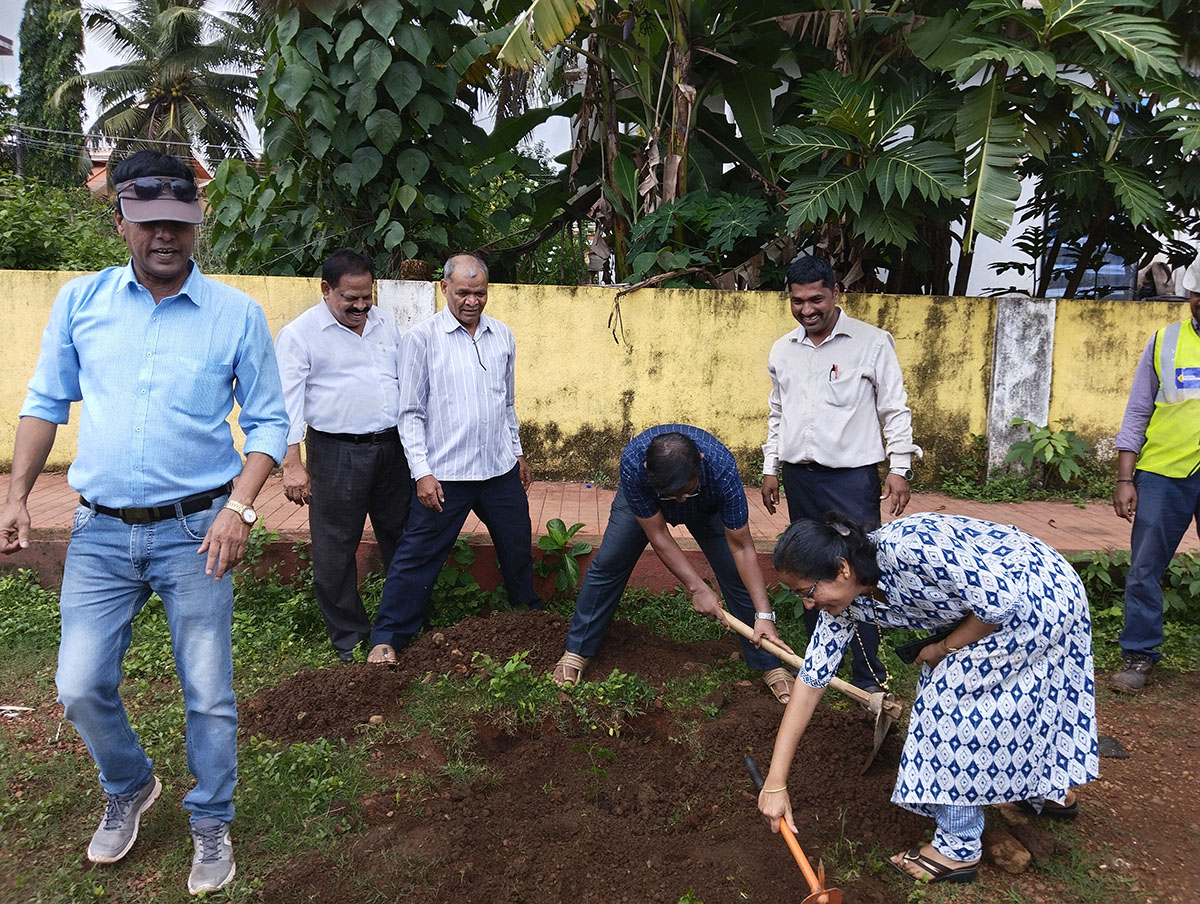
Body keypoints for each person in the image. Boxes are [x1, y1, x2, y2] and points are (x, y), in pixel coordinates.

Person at [0, 151, 289, 895]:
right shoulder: (81, 301)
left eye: (181, 223)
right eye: (151, 222)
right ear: (121, 220)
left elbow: (267, 426)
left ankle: (210, 821)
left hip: (198, 531)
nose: (167, 236)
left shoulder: (236, 314)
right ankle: (129, 784)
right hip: (99, 533)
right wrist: (17, 493)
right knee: (77, 683)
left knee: (208, 691)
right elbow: (43, 402)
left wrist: (240, 507)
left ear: (198, 225)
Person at [757, 514, 1098, 884]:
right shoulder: (845, 602)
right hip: (1014, 600)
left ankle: (957, 848)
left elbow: (998, 605)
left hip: (1038, 596)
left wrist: (943, 647)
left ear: (841, 569)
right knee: (1022, 698)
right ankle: (1042, 791)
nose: (808, 605)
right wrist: (776, 782)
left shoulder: (912, 548)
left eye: (808, 592)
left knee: (945, 703)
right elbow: (810, 682)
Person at [368, 252, 540, 663]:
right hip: (445, 475)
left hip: (498, 470)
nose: (472, 301)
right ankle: (387, 638)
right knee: (417, 555)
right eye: (463, 292)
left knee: (516, 547)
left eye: (480, 293)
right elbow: (409, 413)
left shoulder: (503, 336)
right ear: (444, 288)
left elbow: (507, 402)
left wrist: (517, 452)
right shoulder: (422, 339)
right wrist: (422, 474)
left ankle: (531, 621)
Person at [761, 254, 922, 694]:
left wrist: (900, 468)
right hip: (800, 479)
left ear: (836, 293)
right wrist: (771, 467)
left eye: (816, 299)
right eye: (797, 301)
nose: (807, 309)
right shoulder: (782, 349)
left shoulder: (871, 343)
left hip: (852, 480)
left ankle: (869, 675)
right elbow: (777, 414)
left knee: (860, 572)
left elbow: (894, 408)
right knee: (810, 569)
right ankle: (821, 669)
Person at [553, 425, 795, 703]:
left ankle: (769, 661)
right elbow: (658, 534)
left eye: (685, 491)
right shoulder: (634, 465)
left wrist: (764, 614)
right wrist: (697, 588)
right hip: (646, 503)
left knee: (734, 572)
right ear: (647, 469)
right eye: (673, 495)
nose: (680, 501)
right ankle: (577, 648)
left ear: (701, 463)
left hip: (707, 504)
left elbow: (741, 546)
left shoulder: (722, 469)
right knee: (608, 564)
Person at [275, 250, 410, 663]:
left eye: (366, 296)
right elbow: (286, 405)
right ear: (325, 290)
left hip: (393, 448)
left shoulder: (385, 322)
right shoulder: (300, 335)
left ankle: (399, 627)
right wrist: (291, 466)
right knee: (335, 549)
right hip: (335, 454)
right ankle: (350, 637)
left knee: (402, 540)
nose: (360, 306)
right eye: (350, 298)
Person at [1111, 253, 1200, 691]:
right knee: (1145, 568)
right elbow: (1137, 411)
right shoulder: (1165, 341)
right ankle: (1139, 654)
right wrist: (1125, 478)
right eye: (1198, 294)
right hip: (1164, 473)